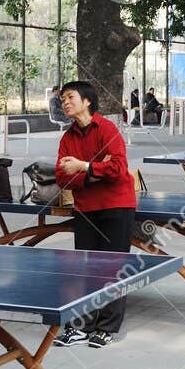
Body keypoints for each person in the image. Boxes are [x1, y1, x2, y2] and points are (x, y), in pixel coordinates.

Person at [54, 81, 136, 349]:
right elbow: (60, 177)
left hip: (117, 206)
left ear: (87, 101)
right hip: (86, 208)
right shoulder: (67, 138)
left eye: (70, 97)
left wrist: (84, 167)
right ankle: (81, 326)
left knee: (112, 268)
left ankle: (107, 327)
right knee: (85, 269)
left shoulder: (108, 129)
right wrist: (93, 175)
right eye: (63, 99)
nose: (65, 102)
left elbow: (119, 169)